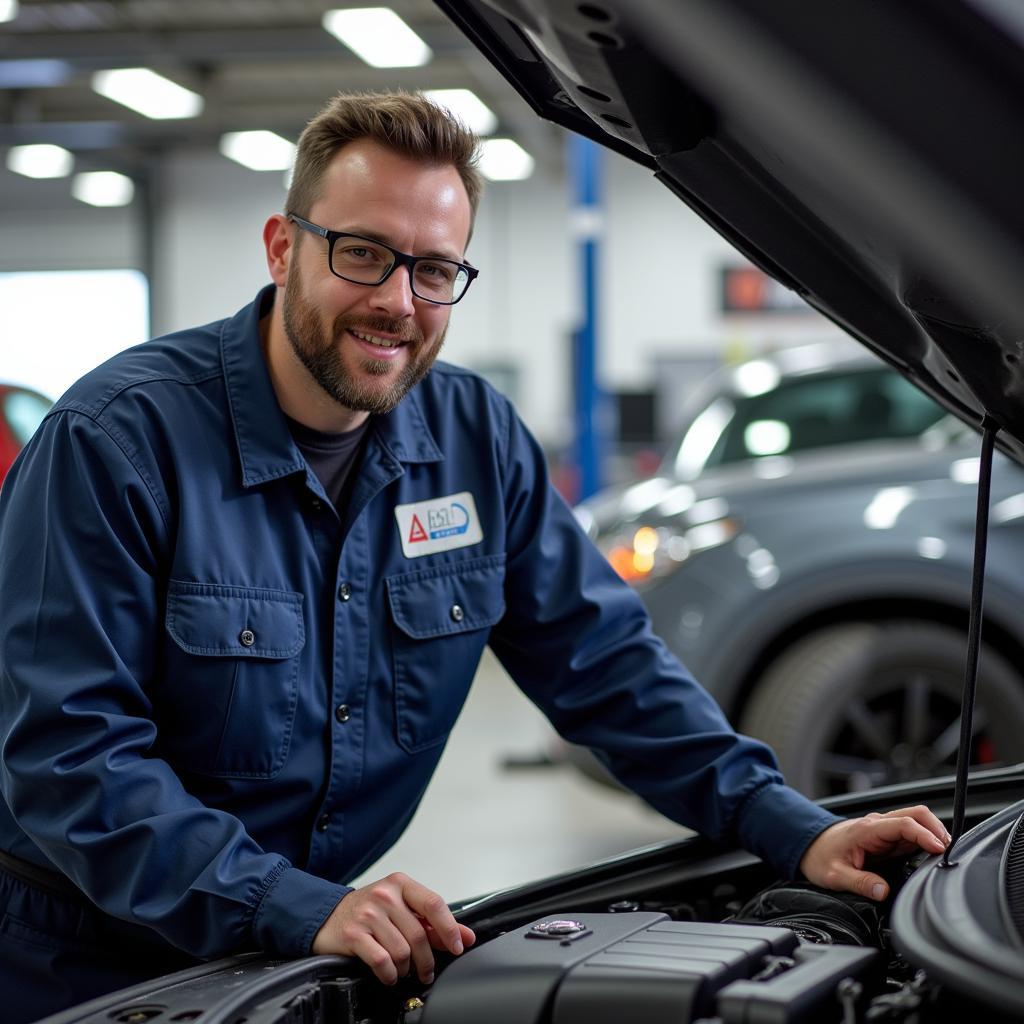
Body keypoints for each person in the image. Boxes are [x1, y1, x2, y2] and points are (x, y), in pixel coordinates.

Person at [0, 91, 948, 1022]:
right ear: (283, 248)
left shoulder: (474, 439)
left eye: (434, 270)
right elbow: (70, 755)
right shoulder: (117, 441)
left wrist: (789, 825)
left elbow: (605, 664)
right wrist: (291, 901)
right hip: (82, 952)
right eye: (362, 253)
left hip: (290, 950)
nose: (396, 302)